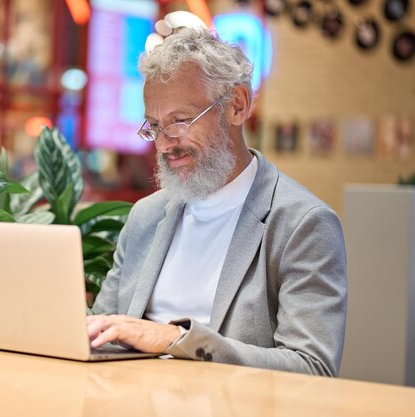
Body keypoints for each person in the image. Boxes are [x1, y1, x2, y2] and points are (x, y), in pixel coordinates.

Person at [86, 16, 347, 377]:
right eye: (155, 126)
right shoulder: (146, 216)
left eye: (179, 121)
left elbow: (313, 368)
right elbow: (103, 333)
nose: (163, 144)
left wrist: (174, 339)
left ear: (237, 105)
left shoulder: (302, 224)